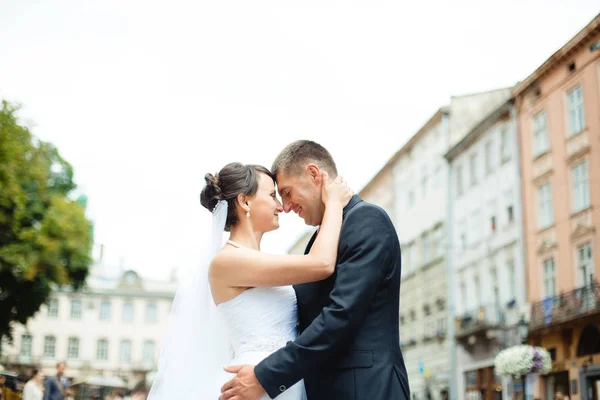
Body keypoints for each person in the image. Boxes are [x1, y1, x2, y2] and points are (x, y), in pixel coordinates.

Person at [220, 140, 410, 400]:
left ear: (313, 174)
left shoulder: (366, 220)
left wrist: (266, 375)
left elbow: (341, 314)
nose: (285, 207)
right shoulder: (319, 241)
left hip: (365, 389)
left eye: (286, 192)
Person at [147, 161, 352, 400]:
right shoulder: (227, 262)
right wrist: (334, 203)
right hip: (255, 384)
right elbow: (322, 263)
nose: (281, 206)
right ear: (245, 201)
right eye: (273, 195)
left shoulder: (257, 261)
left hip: (281, 380)